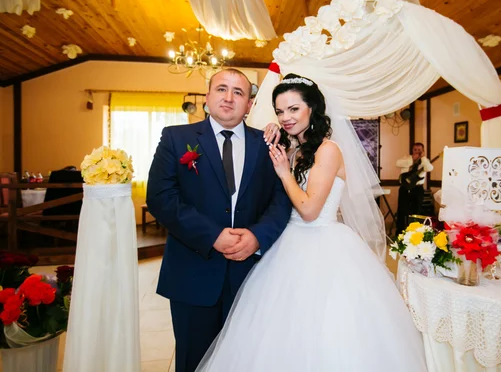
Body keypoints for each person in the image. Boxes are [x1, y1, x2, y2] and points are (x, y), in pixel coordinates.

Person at [196, 74, 427, 372]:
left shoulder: (328, 150)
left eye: (294, 109)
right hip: (286, 244)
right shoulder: (292, 149)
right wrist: (276, 138)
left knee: (327, 328)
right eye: (280, 111)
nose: (286, 117)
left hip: (324, 244)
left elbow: (309, 209)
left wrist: (283, 171)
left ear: (312, 109)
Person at [146, 69, 292, 372]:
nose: (229, 97)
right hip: (192, 272)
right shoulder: (176, 138)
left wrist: (257, 237)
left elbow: (281, 199)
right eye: (222, 89)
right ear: (207, 97)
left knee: (247, 360)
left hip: (252, 275)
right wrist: (212, 235)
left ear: (249, 104)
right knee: (194, 360)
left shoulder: (267, 144)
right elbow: (161, 197)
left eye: (238, 92)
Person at [395, 143, 433, 237]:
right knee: (402, 211)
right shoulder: (406, 158)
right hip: (405, 188)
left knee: (417, 210)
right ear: (412, 150)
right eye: (415, 149)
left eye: (419, 150)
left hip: (417, 189)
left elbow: (429, 168)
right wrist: (412, 159)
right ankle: (401, 233)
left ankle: (415, 234)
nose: (417, 151)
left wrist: (423, 158)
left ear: (423, 151)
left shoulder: (425, 161)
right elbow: (397, 163)